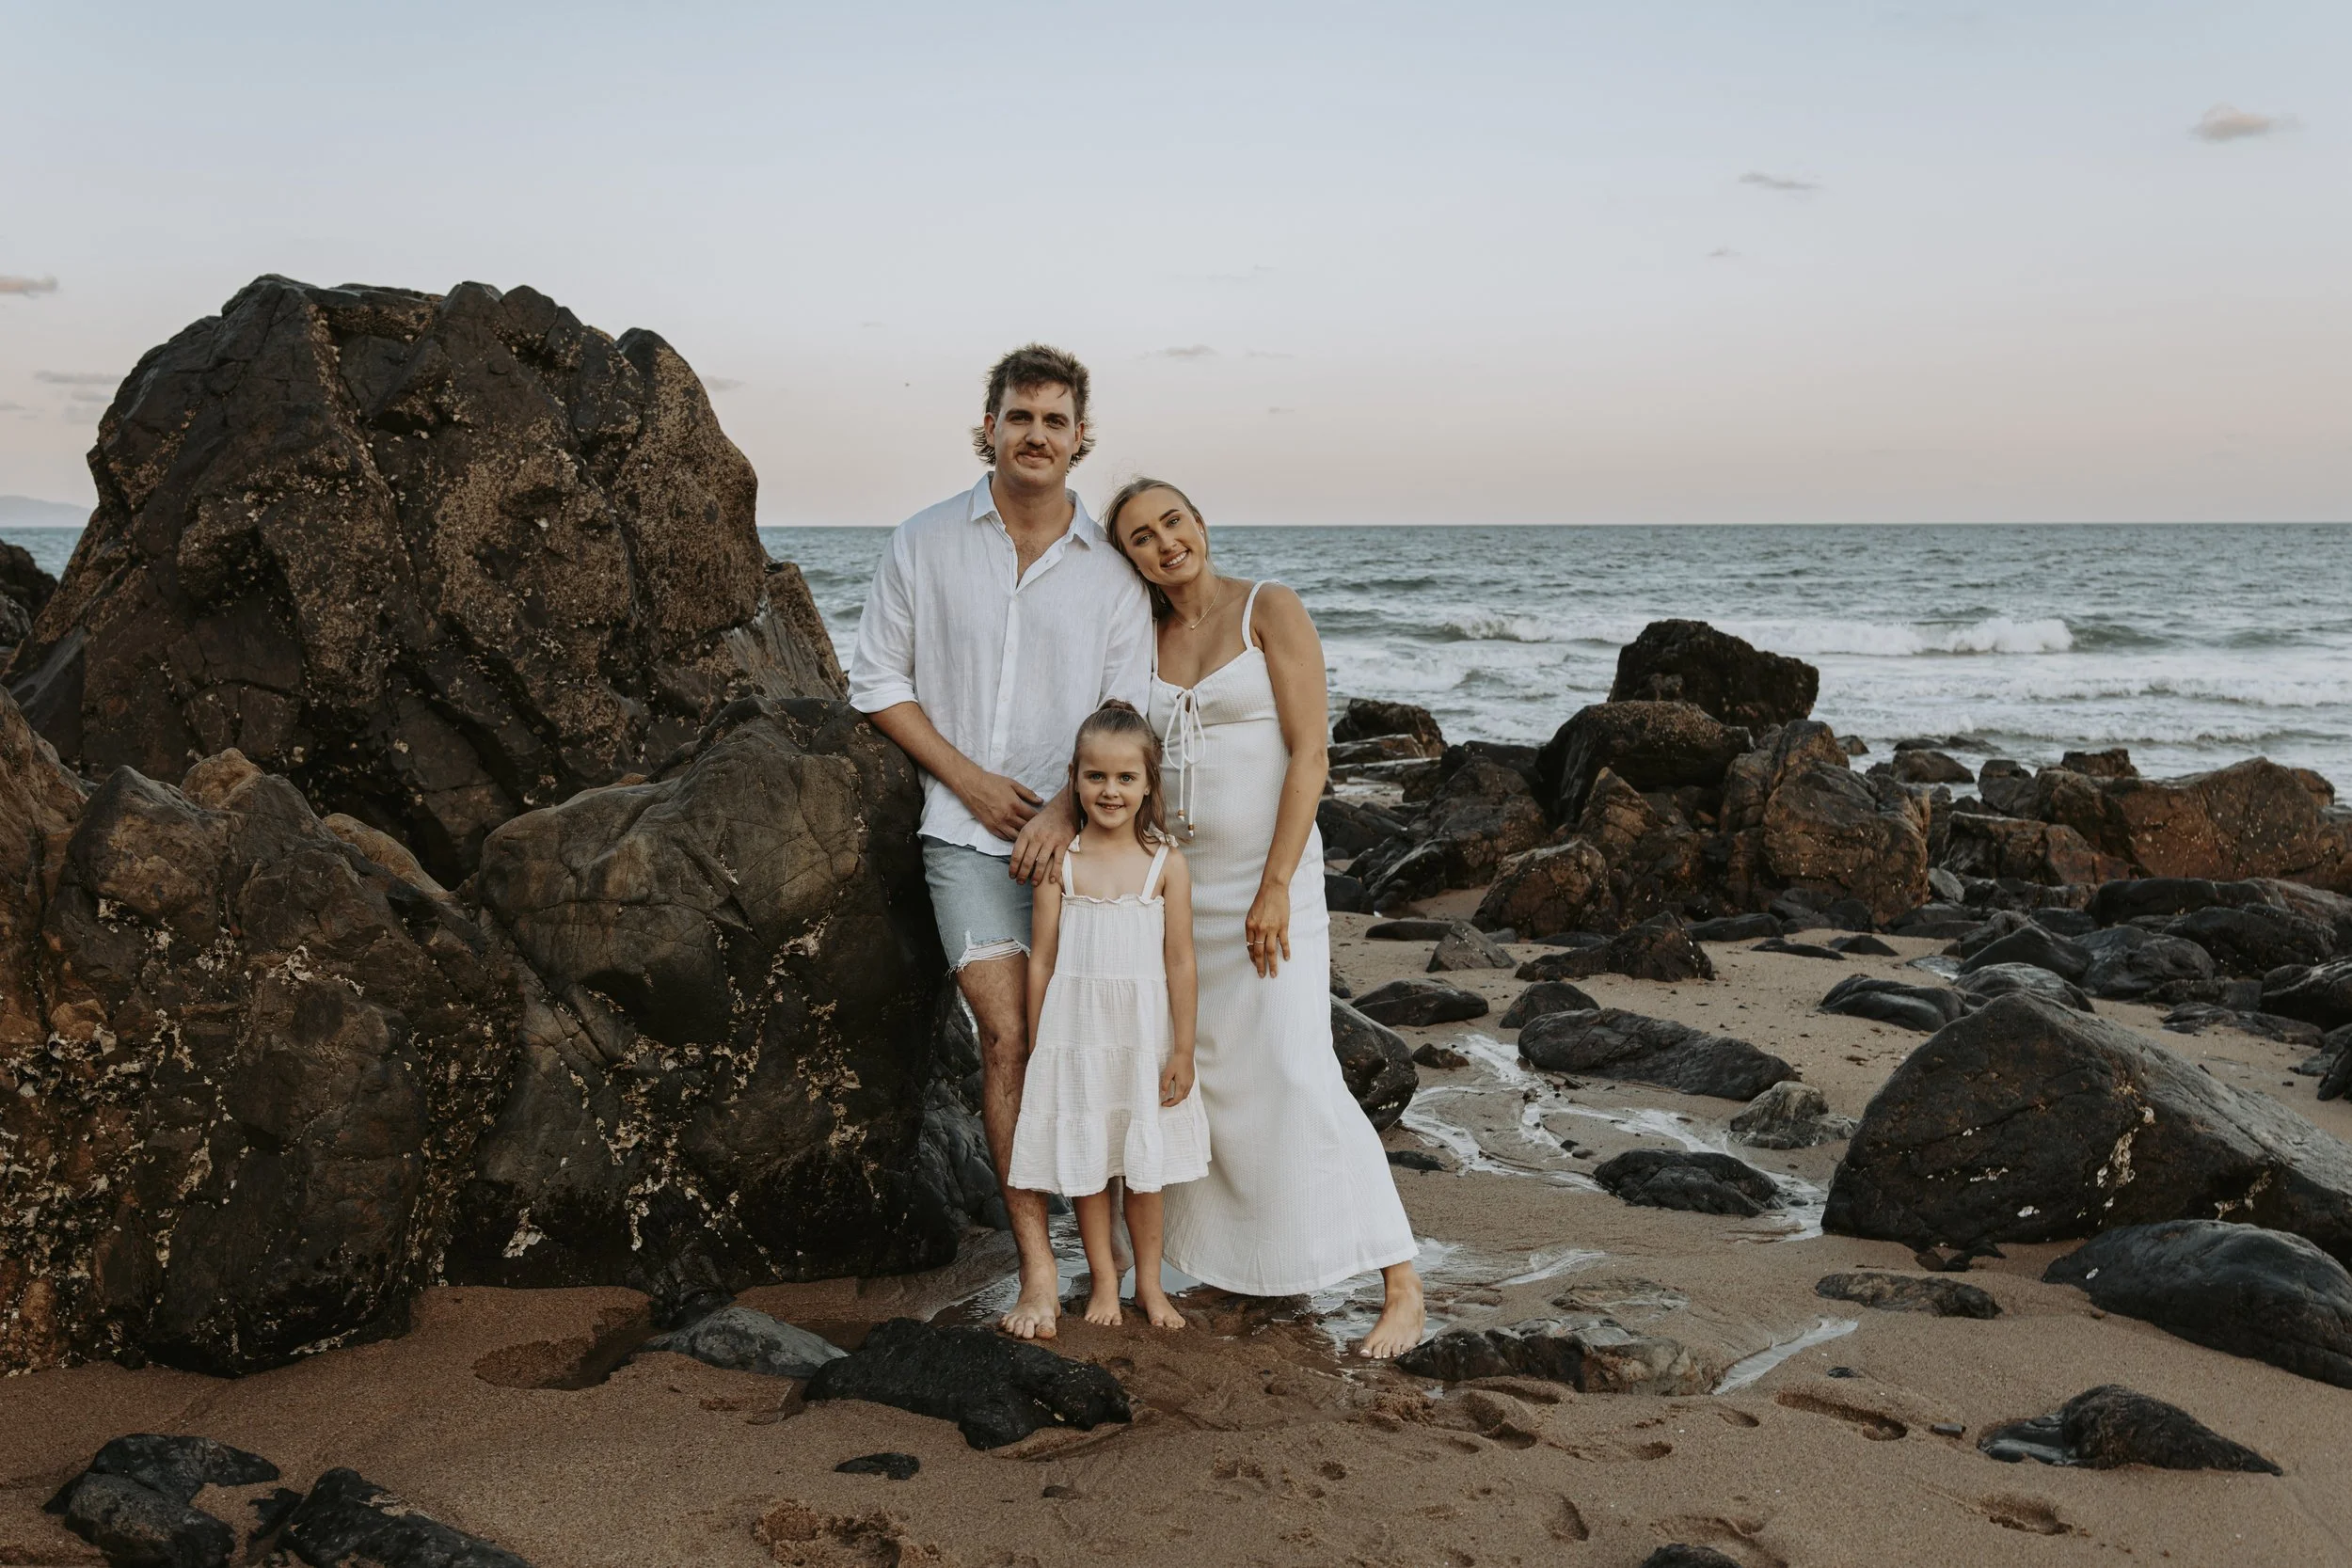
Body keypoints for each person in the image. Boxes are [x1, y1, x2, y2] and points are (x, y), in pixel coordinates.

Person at [847, 345, 1153, 1340]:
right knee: (1010, 1036)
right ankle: (1035, 1268)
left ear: (1080, 438)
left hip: (1087, 847)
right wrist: (967, 778)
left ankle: (1106, 1267)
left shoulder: (1111, 574)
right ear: (988, 426)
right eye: (1019, 416)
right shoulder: (924, 540)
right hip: (960, 838)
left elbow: (1127, 708)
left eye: (1055, 421)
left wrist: (1066, 808)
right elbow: (878, 680)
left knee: (1092, 1044)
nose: (1035, 435)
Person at [1104, 476, 1427, 1359]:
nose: (1164, 541)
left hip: (1268, 881)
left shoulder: (1267, 610)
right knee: (1205, 1075)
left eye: (1173, 520)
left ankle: (1401, 1279)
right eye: (1140, 536)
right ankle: (1234, 1265)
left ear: (1200, 523)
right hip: (1178, 888)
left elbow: (1311, 752)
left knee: (1292, 1066)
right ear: (1128, 556)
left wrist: (1278, 881)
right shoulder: (1144, 636)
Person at [1009, 701, 1208, 1328]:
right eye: (1096, 776)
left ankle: (1150, 1285)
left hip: (1142, 1040)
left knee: (1144, 1174)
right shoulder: (1060, 863)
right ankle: (1103, 1280)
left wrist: (1182, 1049)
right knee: (1089, 1167)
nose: (1110, 790)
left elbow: (1181, 962)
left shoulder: (1164, 865)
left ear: (1149, 782)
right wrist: (1043, 1039)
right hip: (1077, 1038)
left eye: (1126, 777)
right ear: (1074, 777)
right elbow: (1041, 958)